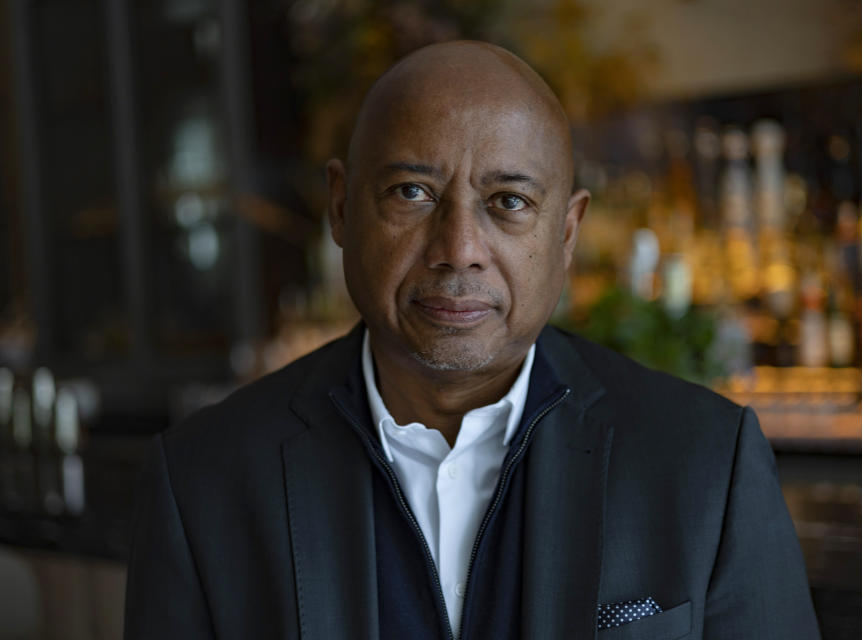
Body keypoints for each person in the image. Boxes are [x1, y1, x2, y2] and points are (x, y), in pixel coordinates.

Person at [124, 41, 820, 640]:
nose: (458, 250)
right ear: (341, 207)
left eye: (508, 202)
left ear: (567, 232)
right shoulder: (204, 481)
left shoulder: (703, 464)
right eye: (411, 193)